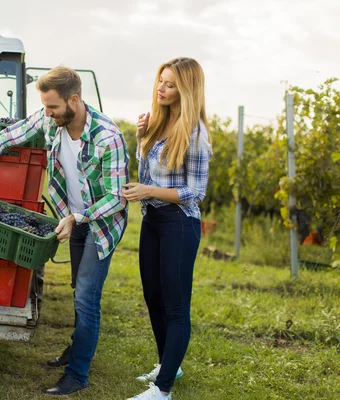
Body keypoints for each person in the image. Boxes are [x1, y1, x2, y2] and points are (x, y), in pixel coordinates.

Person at [0, 66, 129, 396]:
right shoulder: (50, 120)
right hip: (70, 218)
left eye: (53, 107)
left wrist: (78, 217)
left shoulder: (108, 137)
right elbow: (6, 136)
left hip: (100, 224)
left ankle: (78, 375)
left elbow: (117, 198)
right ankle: (76, 350)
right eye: (45, 107)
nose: (46, 114)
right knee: (79, 289)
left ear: (73, 100)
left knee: (87, 298)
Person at [122, 57, 212, 400]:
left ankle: (163, 390)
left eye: (170, 84)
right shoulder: (158, 124)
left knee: (175, 306)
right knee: (153, 299)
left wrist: (149, 192)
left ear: (186, 90)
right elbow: (146, 172)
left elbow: (195, 192)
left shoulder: (196, 134)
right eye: (160, 81)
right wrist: (141, 138)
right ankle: (168, 364)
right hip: (154, 221)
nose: (161, 88)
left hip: (179, 224)